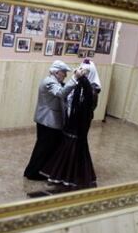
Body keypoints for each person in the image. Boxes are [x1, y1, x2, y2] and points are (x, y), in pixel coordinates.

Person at [39, 59, 101, 190]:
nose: (83, 73)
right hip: (71, 121)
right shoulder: (78, 86)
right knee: (66, 147)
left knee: (75, 148)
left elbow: (88, 105)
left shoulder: (93, 89)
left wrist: (81, 79)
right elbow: (66, 97)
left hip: (80, 124)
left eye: (87, 72)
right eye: (82, 70)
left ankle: (70, 176)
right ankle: (59, 174)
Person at [23, 60, 84, 180]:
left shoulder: (55, 81)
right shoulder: (49, 82)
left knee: (48, 147)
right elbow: (61, 93)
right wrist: (75, 78)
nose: (65, 75)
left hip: (50, 122)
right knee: (43, 148)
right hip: (47, 122)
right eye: (64, 73)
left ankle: (39, 170)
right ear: (56, 72)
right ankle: (33, 173)